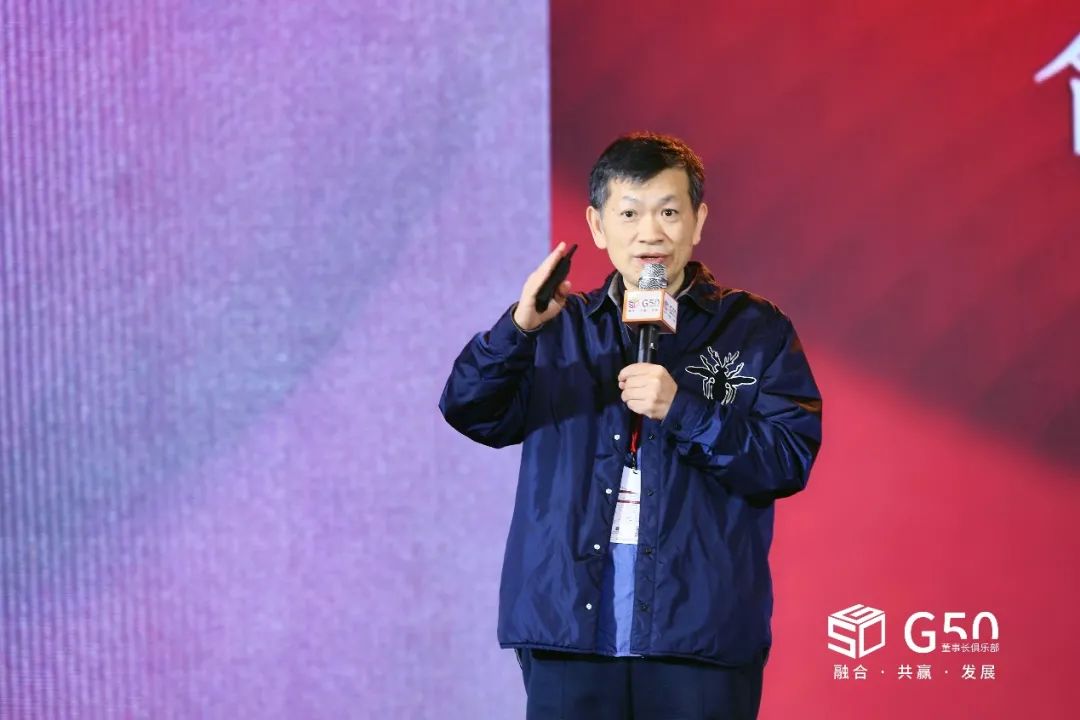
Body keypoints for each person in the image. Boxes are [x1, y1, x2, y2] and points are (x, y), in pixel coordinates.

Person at [439, 132, 822, 720]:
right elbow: (470, 410)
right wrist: (518, 328)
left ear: (698, 222)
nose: (650, 233)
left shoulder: (754, 329)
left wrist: (683, 409)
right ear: (597, 226)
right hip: (569, 632)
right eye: (629, 214)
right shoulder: (557, 325)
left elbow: (786, 459)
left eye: (669, 212)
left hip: (699, 634)